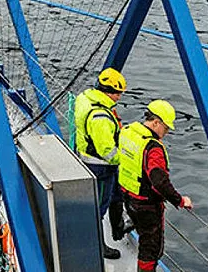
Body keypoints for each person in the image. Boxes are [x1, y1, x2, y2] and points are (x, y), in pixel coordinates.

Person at [118, 100, 193, 272]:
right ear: (156, 122)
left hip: (129, 197)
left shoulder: (128, 132)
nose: (165, 133)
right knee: (151, 249)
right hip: (147, 206)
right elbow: (159, 182)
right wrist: (180, 200)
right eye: (165, 128)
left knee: (145, 241)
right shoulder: (153, 148)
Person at [75, 67, 127, 259]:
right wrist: (126, 159)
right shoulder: (101, 117)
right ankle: (97, 246)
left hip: (88, 159)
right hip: (100, 167)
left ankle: (118, 229)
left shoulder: (86, 99)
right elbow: (107, 151)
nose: (119, 97)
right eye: (118, 93)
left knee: (115, 196)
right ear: (110, 92)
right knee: (99, 206)